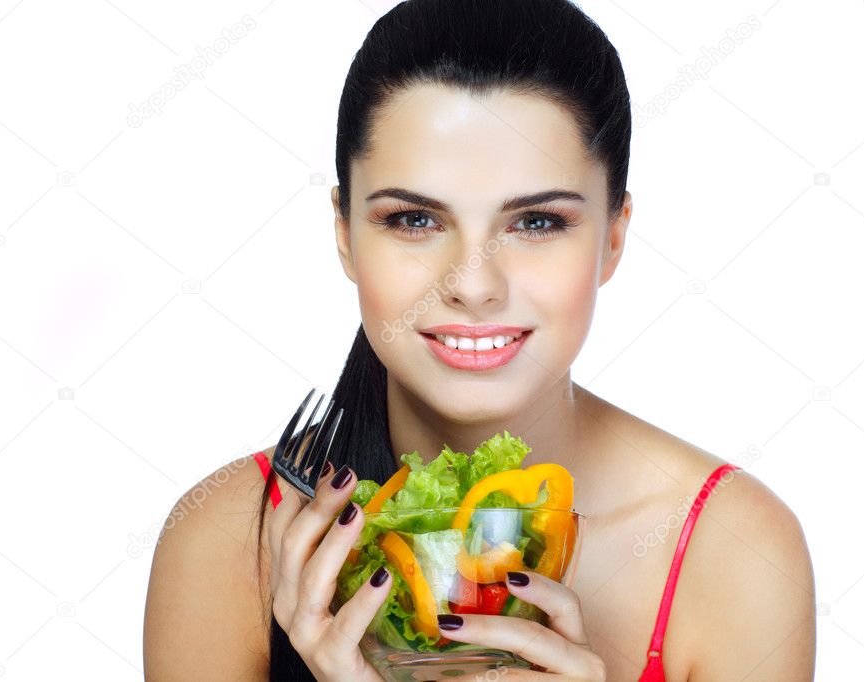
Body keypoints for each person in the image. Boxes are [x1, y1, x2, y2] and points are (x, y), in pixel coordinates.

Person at [143, 1, 816, 679]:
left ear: (612, 236)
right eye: (412, 219)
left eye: (537, 223)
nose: (473, 285)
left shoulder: (731, 551)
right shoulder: (229, 543)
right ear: (344, 234)